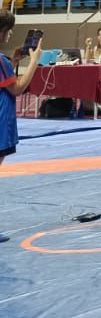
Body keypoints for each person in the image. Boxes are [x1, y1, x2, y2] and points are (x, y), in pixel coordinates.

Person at [0, 12, 43, 241]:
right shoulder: (0, 60)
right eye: (9, 31)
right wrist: (34, 61)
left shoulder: (3, 61)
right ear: (2, 32)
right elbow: (16, 88)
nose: (10, 34)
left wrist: (14, 62)